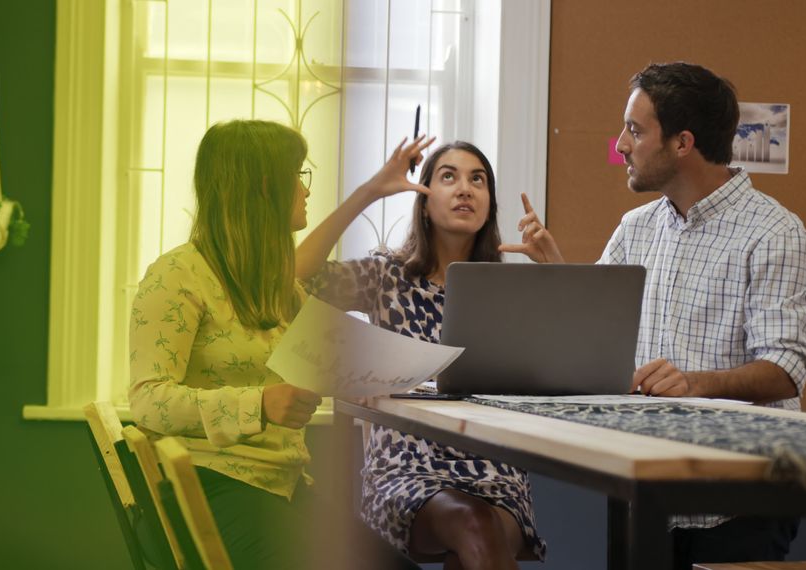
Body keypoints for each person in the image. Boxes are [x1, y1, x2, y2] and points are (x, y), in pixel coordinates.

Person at [505, 62, 806, 569]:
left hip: (739, 505)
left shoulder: (777, 235)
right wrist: (556, 269)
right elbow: (598, 331)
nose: (621, 145)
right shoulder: (636, 228)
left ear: (682, 143)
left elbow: (785, 370)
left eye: (634, 129)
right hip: (643, 490)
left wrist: (693, 384)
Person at [298, 139, 547, 570]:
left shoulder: (508, 291)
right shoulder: (385, 277)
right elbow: (297, 278)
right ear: (423, 200)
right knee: (474, 525)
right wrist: (371, 190)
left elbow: (570, 368)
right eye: (448, 176)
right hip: (406, 470)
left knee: (478, 526)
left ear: (490, 204)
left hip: (494, 475)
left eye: (478, 180)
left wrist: (553, 269)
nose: (465, 188)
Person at [128, 120, 324, 569]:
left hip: (285, 487)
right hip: (211, 487)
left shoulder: (282, 289)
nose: (306, 191)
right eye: (298, 175)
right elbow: (147, 402)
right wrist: (258, 404)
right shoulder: (176, 275)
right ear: (264, 186)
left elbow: (337, 364)